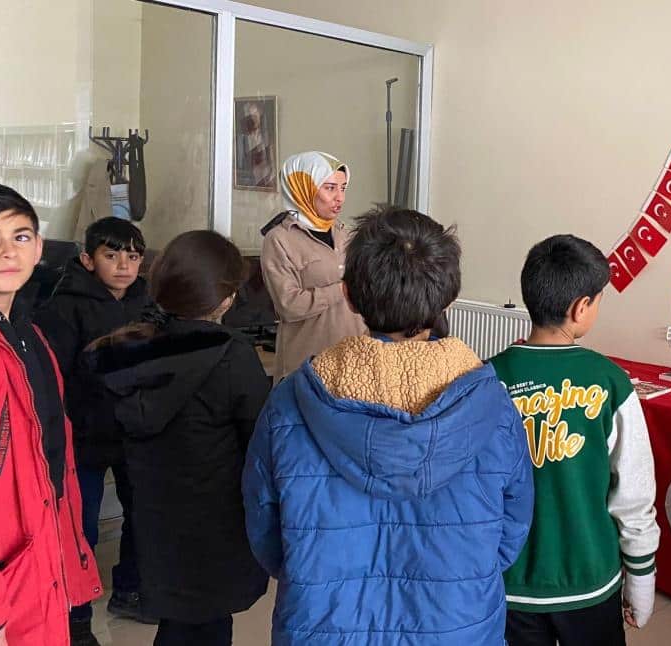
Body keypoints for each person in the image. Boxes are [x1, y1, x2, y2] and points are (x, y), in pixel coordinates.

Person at [244, 206, 533, 645]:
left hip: (326, 624)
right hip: (455, 623)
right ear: (448, 298)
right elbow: (511, 529)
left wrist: (314, 572)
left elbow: (266, 529)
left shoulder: (292, 402)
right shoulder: (491, 406)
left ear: (349, 295)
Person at [84, 231, 269, 646]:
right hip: (215, 517)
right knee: (208, 625)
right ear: (225, 298)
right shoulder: (230, 354)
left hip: (154, 511)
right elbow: (259, 442)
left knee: (179, 622)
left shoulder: (130, 348)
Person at [489, 234, 660, 646]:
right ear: (581, 307)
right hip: (589, 581)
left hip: (506, 580)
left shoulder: (484, 377)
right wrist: (641, 577)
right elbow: (634, 494)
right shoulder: (611, 381)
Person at [0, 182, 102, 646]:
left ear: (39, 246)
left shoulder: (25, 333)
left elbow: (50, 463)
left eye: (21, 237)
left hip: (31, 564)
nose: (8, 252)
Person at [35, 217, 154, 636]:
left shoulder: (147, 303)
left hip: (133, 433)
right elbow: (54, 376)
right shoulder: (63, 308)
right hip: (82, 436)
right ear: (87, 259)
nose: (123, 264)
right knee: (79, 525)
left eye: (133, 256)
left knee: (143, 514)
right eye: (111, 255)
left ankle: (131, 589)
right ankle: (77, 611)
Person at [260, 151, 366, 379]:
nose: (340, 198)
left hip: (353, 358)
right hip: (307, 364)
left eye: (343, 188)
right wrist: (341, 289)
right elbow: (288, 305)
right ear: (302, 188)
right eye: (330, 188)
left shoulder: (346, 235)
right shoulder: (280, 239)